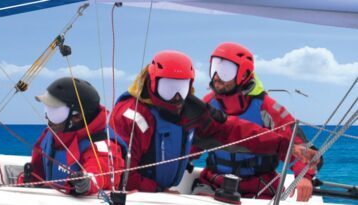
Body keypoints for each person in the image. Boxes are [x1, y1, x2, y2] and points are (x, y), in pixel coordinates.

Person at [109, 50, 317, 193]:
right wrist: (158, 191)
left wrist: (286, 146)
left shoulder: (190, 108)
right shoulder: (130, 116)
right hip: (140, 196)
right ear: (151, 81)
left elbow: (232, 131)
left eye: (180, 89)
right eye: (167, 87)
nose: (175, 97)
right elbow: (120, 176)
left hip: (162, 193)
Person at [199, 42, 321, 201]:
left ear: (244, 73)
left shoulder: (268, 108)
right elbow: (187, 144)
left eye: (225, 71)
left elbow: (299, 147)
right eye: (214, 68)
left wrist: (304, 176)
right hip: (214, 184)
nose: (216, 76)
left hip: (260, 188)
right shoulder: (207, 105)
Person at [19, 77, 124, 196]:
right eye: (47, 109)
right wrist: (28, 183)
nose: (48, 117)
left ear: (77, 116)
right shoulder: (51, 135)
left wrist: (87, 181)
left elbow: (101, 170)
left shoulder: (102, 145)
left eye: (54, 111)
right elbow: (37, 172)